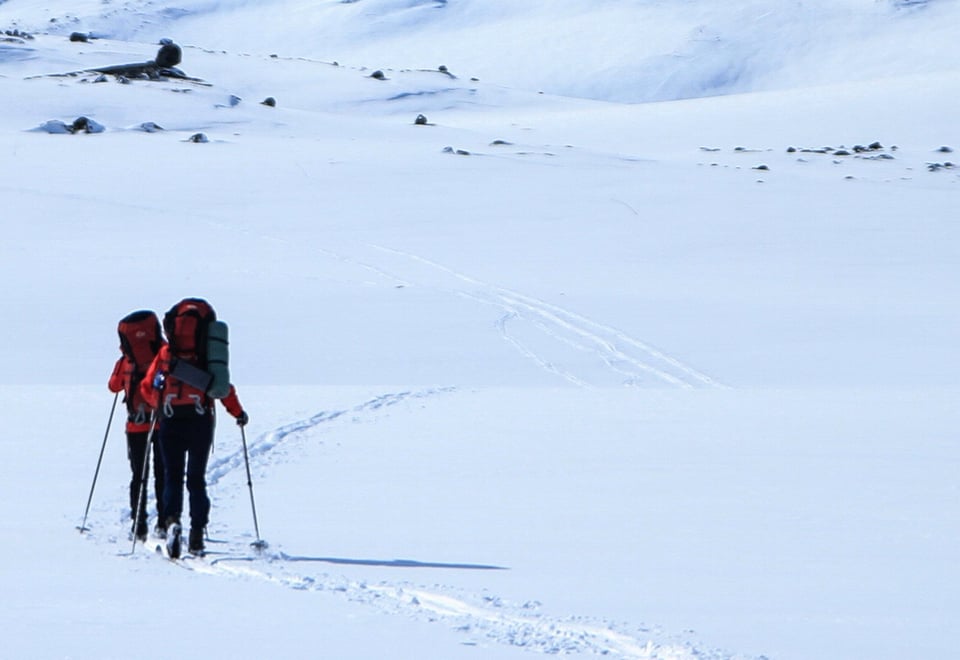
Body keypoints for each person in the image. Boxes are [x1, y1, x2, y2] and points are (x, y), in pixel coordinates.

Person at [139, 299, 248, 556]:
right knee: (197, 479)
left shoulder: (166, 354)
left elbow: (148, 386)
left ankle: (173, 520)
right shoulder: (207, 355)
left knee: (172, 476)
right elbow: (223, 388)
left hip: (171, 419)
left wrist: (159, 405)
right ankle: (197, 532)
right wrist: (238, 412)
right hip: (201, 420)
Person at [109, 310, 166, 541]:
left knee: (138, 475)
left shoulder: (126, 362)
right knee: (163, 474)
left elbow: (113, 386)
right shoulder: (163, 357)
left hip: (135, 425)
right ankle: (164, 522)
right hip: (163, 423)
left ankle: (139, 522)